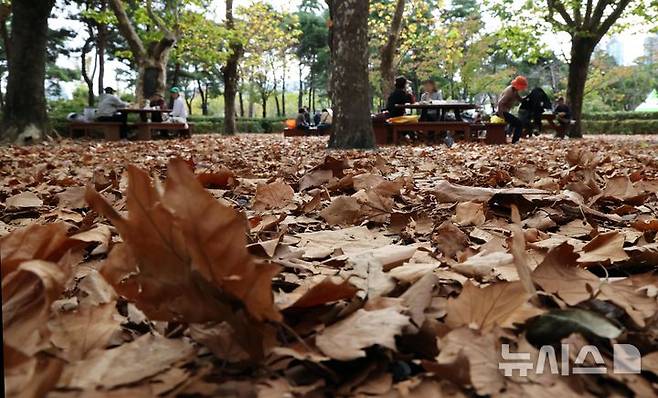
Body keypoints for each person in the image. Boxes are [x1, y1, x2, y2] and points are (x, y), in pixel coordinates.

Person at [496, 76, 528, 143]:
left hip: (505, 111)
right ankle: (515, 141)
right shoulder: (509, 91)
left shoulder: (514, 90)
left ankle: (508, 134)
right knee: (519, 123)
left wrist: (526, 99)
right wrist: (502, 117)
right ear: (518, 85)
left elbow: (519, 99)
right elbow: (500, 103)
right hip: (502, 112)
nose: (522, 89)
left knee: (514, 122)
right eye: (522, 87)